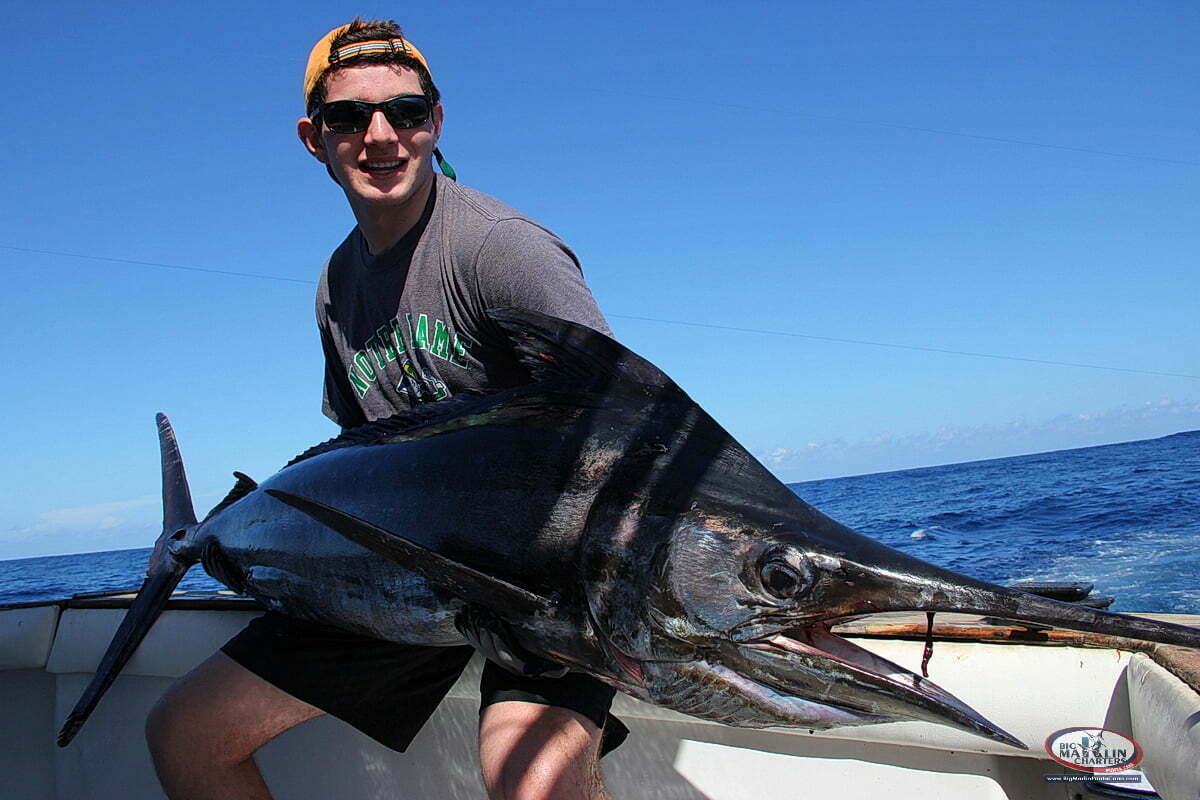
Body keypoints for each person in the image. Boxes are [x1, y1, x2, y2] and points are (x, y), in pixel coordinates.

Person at [145, 19, 621, 800]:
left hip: (537, 589)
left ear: (436, 122)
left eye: (404, 112)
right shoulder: (337, 284)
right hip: (397, 584)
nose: (380, 136)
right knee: (184, 736)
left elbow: (619, 431)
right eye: (348, 117)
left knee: (531, 780)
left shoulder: (502, 250)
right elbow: (358, 451)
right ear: (314, 138)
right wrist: (219, 544)